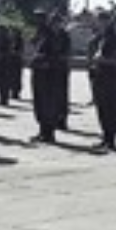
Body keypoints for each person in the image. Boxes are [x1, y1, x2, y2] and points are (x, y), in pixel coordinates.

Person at [87, 10, 116, 151]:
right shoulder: (101, 38)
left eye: (102, 20)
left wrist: (102, 60)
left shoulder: (113, 38)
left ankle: (111, 141)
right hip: (100, 77)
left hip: (110, 79)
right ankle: (105, 138)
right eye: (99, 20)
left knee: (109, 110)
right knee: (102, 110)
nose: (100, 23)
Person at [29, 10, 68, 143]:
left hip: (50, 73)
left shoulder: (55, 36)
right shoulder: (42, 34)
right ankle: (42, 131)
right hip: (39, 72)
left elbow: (58, 55)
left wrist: (44, 59)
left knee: (48, 103)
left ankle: (49, 133)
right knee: (39, 102)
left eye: (57, 22)